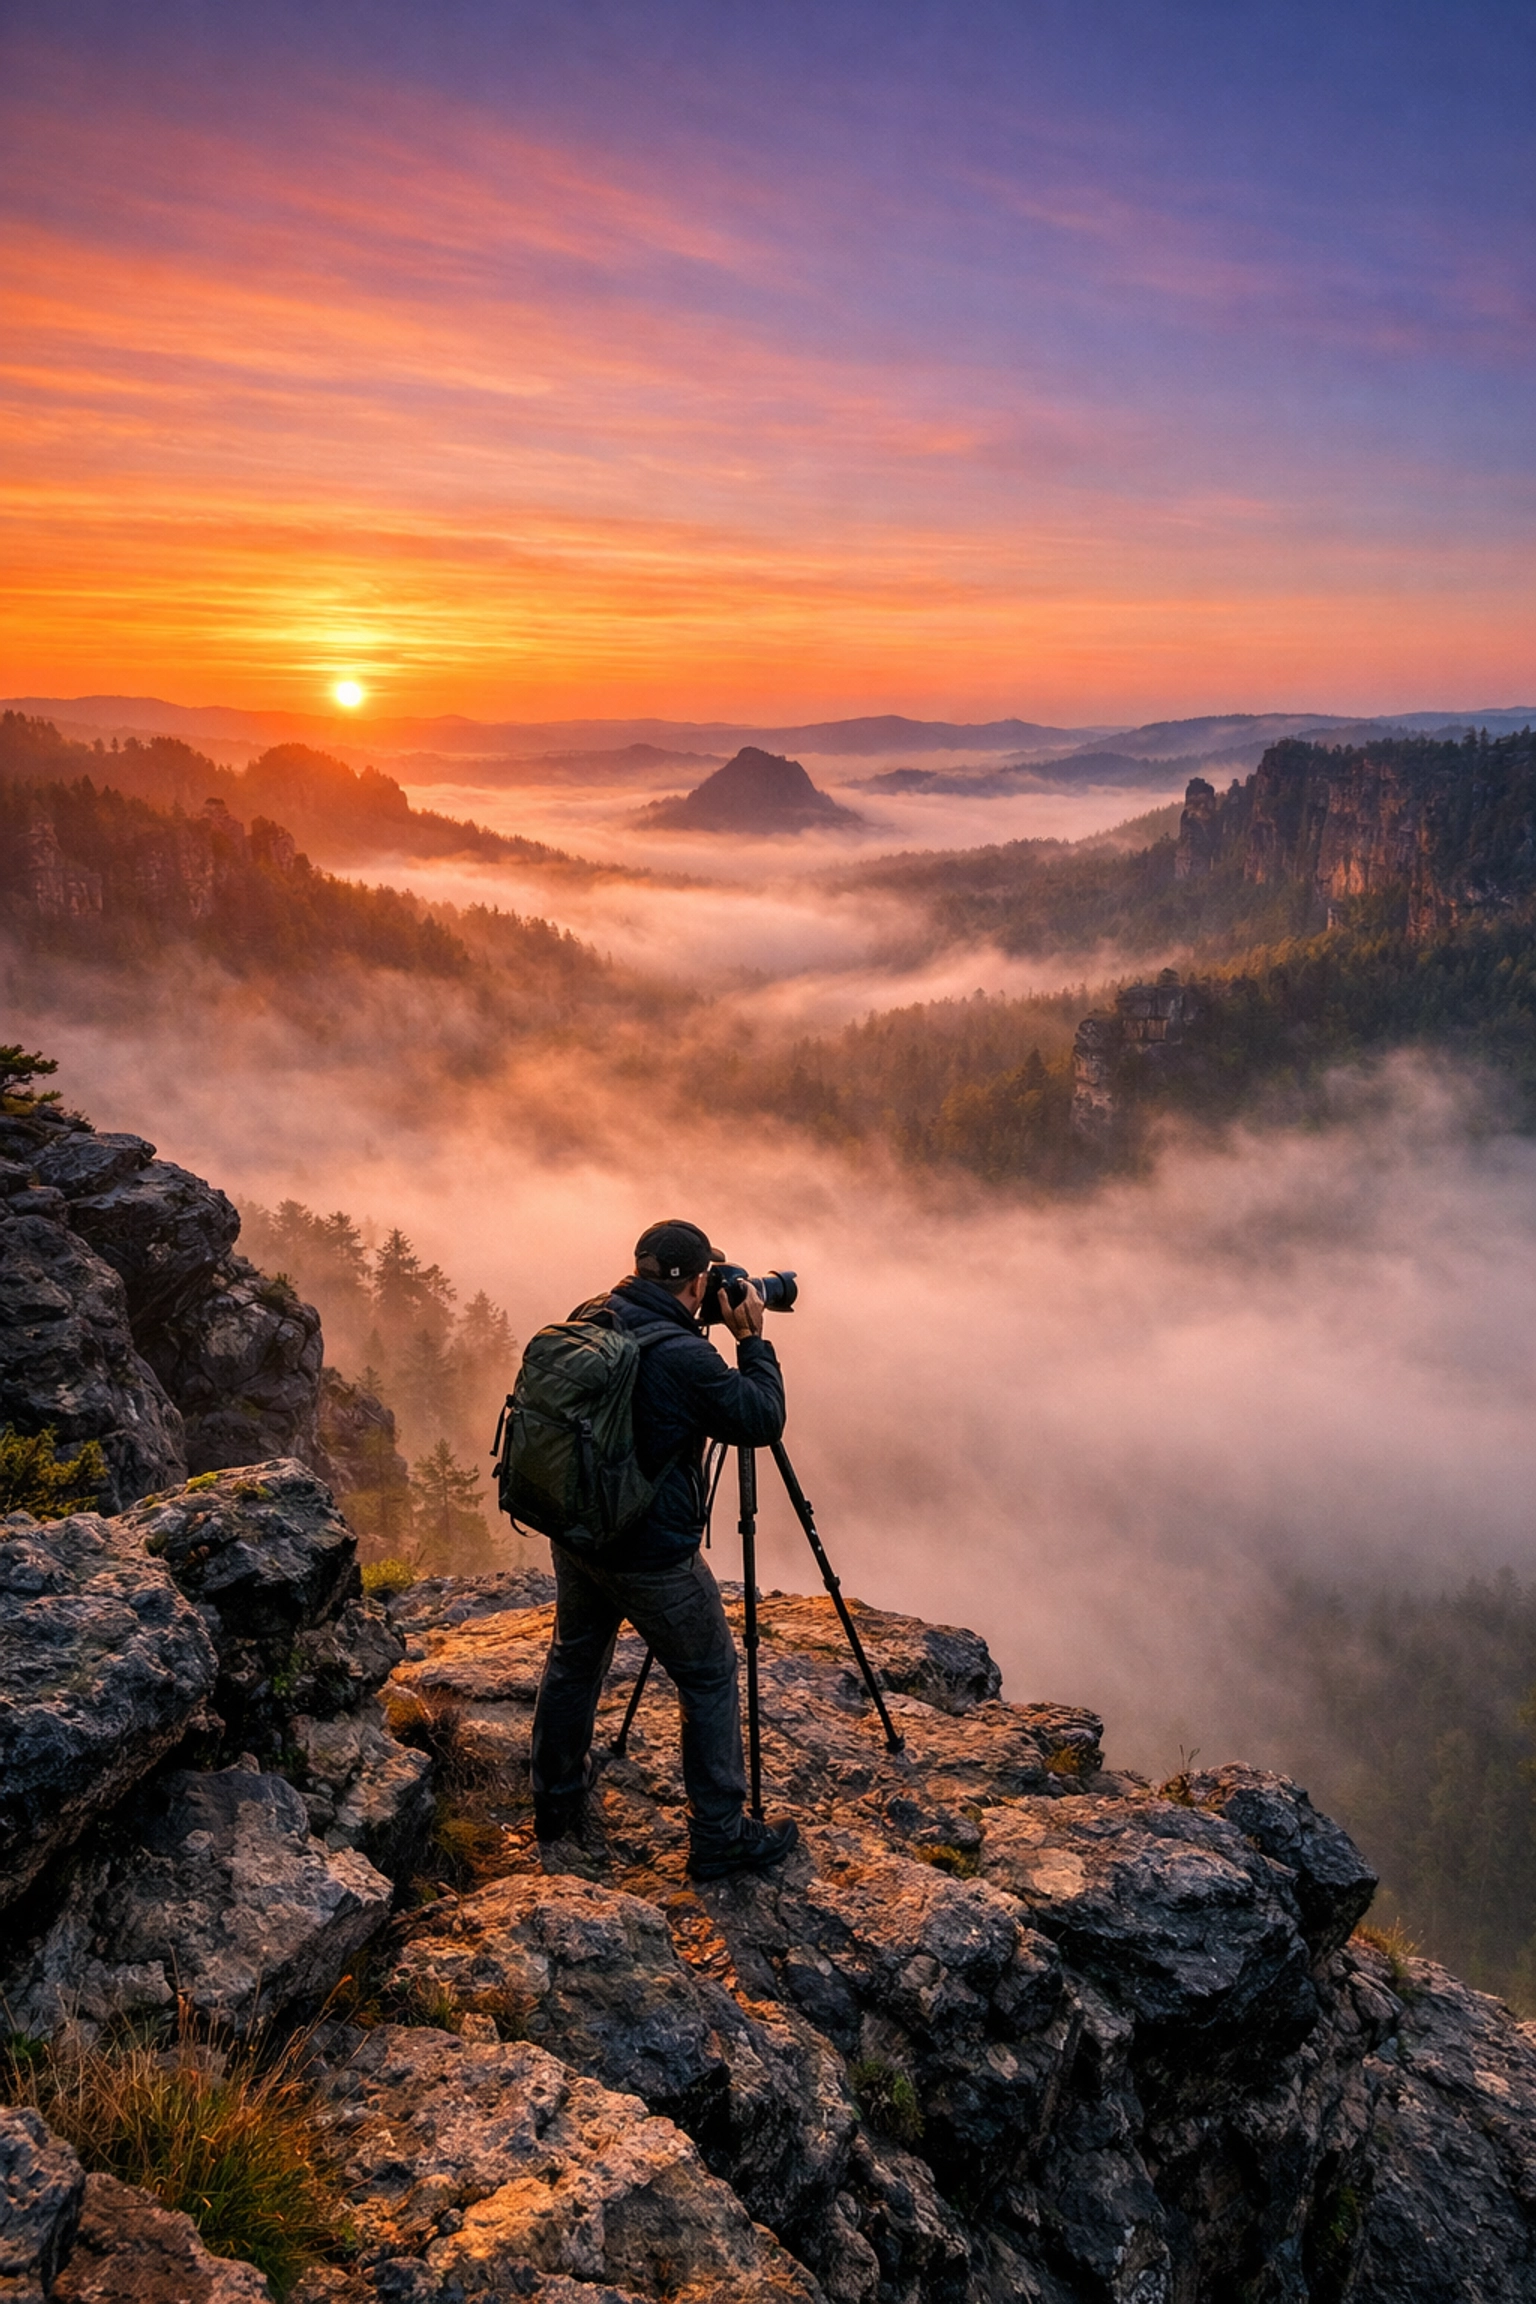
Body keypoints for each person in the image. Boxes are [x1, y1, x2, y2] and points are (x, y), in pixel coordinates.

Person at [529, 1218, 800, 1880]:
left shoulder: (594, 1311)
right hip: (650, 1553)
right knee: (708, 1673)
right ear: (701, 1280)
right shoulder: (686, 1357)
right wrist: (752, 1340)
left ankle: (556, 1801)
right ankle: (718, 1835)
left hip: (580, 1529)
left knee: (575, 1658)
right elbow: (759, 1419)